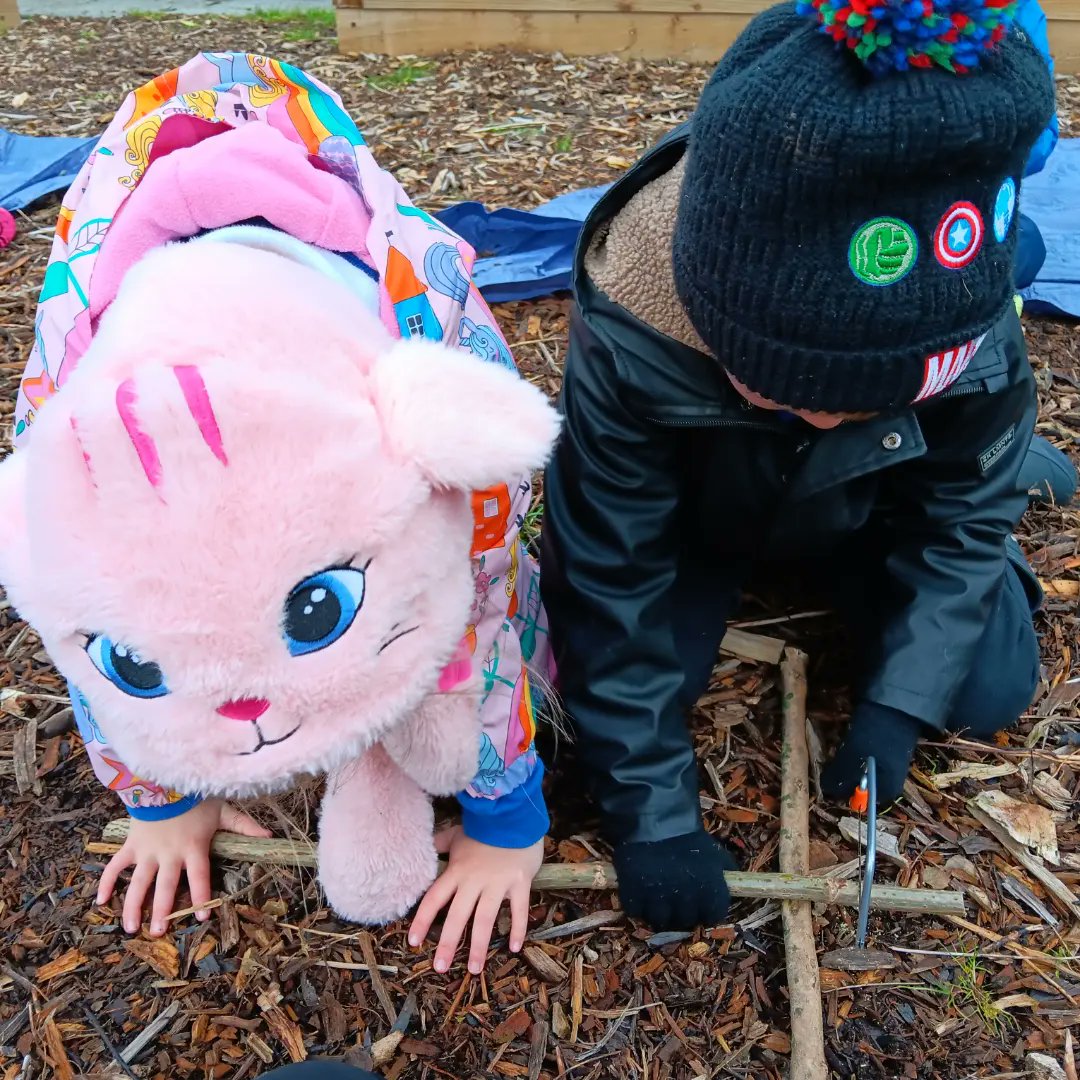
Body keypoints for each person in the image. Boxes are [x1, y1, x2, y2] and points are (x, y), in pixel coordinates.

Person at [6, 53, 550, 974]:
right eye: (143, 654)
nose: (257, 718)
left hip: (352, 322)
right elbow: (80, 628)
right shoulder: (63, 473)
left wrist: (508, 817)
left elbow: (484, 592)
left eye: (316, 606)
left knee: (435, 605)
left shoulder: (433, 385)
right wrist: (163, 802)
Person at [540, 0, 1075, 932]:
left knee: (984, 686)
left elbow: (962, 526)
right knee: (594, 726)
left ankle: (1011, 451)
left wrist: (898, 708)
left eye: (865, 402)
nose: (828, 415)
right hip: (700, 521)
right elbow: (606, 573)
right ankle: (994, 452)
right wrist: (654, 822)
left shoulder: (970, 308)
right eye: (788, 390)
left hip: (868, 507)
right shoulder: (633, 319)